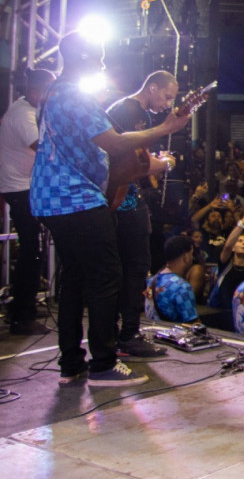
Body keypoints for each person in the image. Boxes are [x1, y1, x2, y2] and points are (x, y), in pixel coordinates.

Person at [32, 31, 190, 387]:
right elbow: (115, 143)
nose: (103, 64)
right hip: (74, 197)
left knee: (75, 276)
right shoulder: (74, 94)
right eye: (98, 57)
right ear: (84, 58)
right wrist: (166, 128)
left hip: (52, 197)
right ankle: (103, 363)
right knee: (106, 274)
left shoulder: (56, 92)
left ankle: (72, 363)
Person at [106, 70, 179, 357]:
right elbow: (131, 160)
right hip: (122, 201)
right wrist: (165, 165)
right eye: (166, 96)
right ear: (151, 87)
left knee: (124, 268)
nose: (166, 104)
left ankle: (116, 333)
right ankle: (129, 335)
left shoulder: (134, 111)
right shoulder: (130, 111)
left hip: (122, 197)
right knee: (136, 265)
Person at [0, 68, 54, 335]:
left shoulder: (29, 110)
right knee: (31, 249)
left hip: (25, 186)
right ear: (35, 91)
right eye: (48, 92)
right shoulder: (23, 115)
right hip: (19, 188)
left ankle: (24, 305)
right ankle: (22, 314)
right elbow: (44, 148)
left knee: (35, 248)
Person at [146, 234, 200, 324]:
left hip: (153, 333)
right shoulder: (182, 287)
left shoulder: (152, 281)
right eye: (191, 254)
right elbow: (193, 325)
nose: (192, 258)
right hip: (173, 336)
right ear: (185, 257)